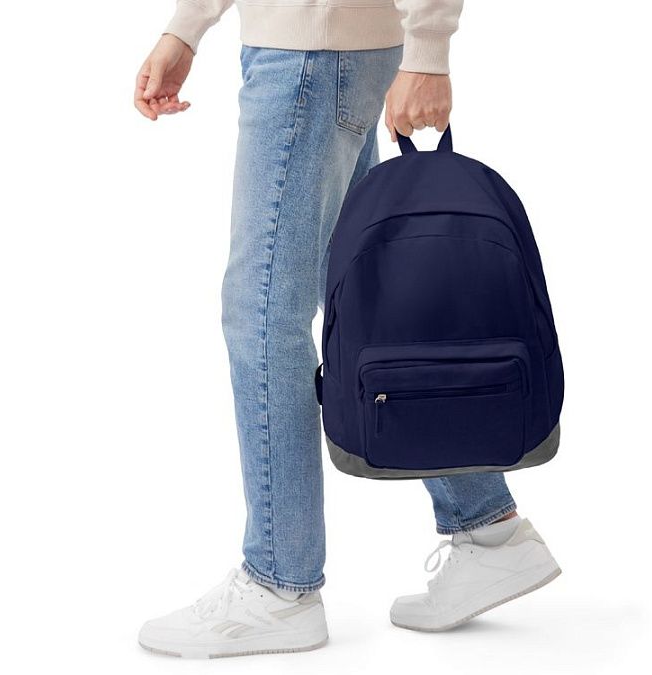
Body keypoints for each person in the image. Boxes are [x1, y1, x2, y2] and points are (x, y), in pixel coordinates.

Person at [133, 0, 560, 658]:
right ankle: (489, 530)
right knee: (357, 302)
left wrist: (429, 50)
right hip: (320, 46)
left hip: (311, 51)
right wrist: (187, 28)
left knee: (263, 311)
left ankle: (280, 586)